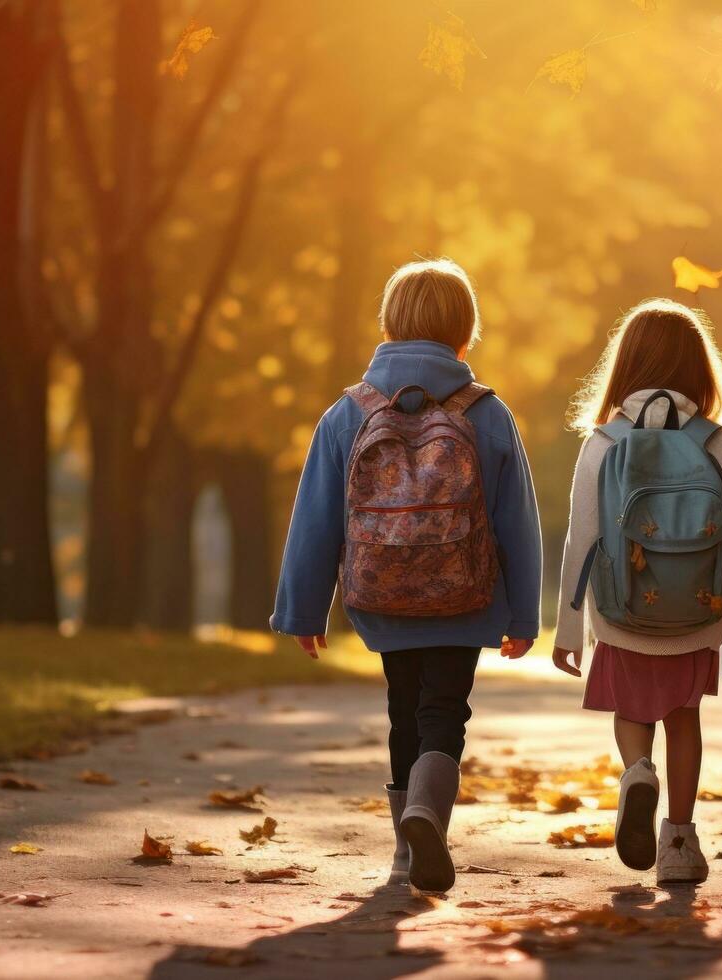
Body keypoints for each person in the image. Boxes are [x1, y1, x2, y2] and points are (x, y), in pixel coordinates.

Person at [270, 258, 542, 893]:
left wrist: (303, 612)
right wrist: (523, 614)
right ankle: (428, 816)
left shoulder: (349, 413)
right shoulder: (487, 413)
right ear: (464, 333)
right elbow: (517, 520)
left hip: (383, 593)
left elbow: (314, 518)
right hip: (465, 594)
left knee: (403, 711)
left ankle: (402, 851)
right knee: (444, 710)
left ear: (389, 323)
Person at [553, 298, 722, 885]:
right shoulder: (715, 442)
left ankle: (636, 775)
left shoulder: (603, 442)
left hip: (623, 611)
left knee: (632, 710)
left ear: (623, 368)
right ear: (700, 370)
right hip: (697, 612)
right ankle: (678, 840)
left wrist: (569, 629)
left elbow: (583, 540)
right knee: (683, 716)